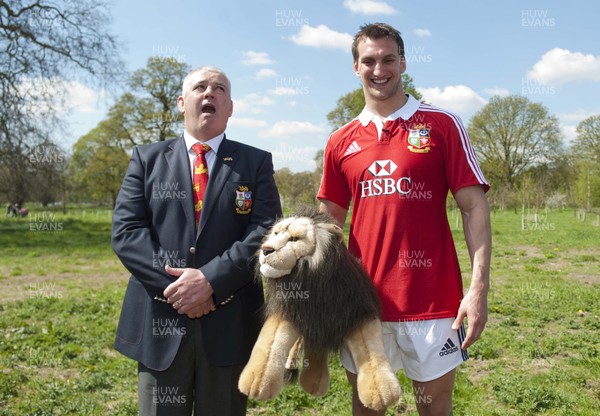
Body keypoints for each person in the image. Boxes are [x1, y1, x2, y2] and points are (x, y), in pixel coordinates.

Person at [318, 23, 491, 416]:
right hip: (363, 306)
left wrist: (478, 288)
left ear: (403, 63)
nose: (379, 69)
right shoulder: (340, 140)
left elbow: (474, 206)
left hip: (434, 303)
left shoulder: (443, 125)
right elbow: (328, 224)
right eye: (369, 60)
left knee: (434, 408)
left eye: (388, 59)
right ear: (355, 67)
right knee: (368, 407)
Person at [112, 66, 282, 416]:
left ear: (230, 106)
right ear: (181, 102)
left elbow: (265, 231)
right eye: (200, 87)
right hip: (161, 324)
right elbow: (127, 232)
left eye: (219, 88)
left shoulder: (256, 162)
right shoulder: (146, 159)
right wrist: (180, 289)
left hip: (230, 326)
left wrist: (210, 282)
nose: (209, 94)